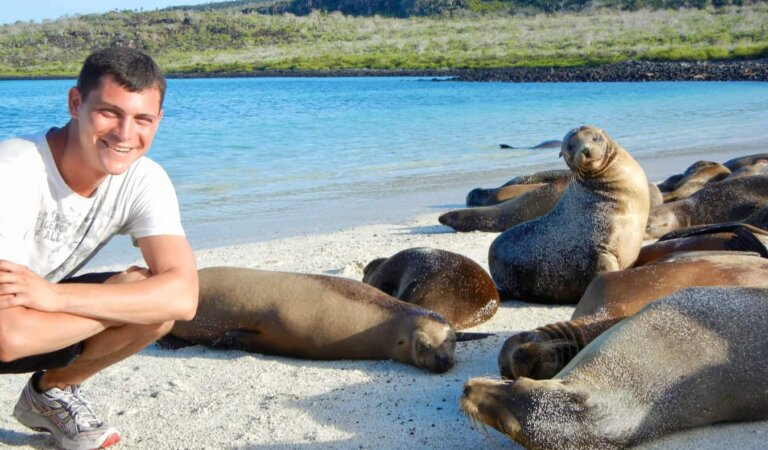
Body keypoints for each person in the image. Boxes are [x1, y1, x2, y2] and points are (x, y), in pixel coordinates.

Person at [0, 47, 199, 450]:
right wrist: (115, 301)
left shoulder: (144, 180)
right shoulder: (14, 170)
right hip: (9, 324)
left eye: (142, 118)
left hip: (35, 305)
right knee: (142, 298)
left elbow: (183, 297)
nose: (125, 133)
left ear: (158, 120)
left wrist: (56, 297)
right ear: (76, 103)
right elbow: (10, 338)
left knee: (155, 306)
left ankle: (50, 393)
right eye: (109, 112)